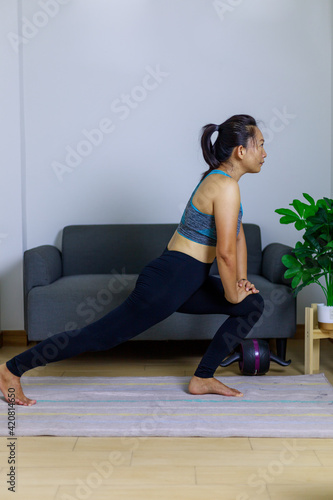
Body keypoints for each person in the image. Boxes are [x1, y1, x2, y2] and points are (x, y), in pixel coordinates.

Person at [0, 114, 266, 406]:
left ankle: (203, 378)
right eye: (261, 146)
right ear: (241, 151)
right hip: (169, 280)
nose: (264, 154)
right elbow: (225, 251)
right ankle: (11, 369)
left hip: (187, 280)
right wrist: (232, 293)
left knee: (251, 304)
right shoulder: (224, 186)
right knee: (99, 337)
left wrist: (241, 285)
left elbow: (238, 237)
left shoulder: (225, 184)